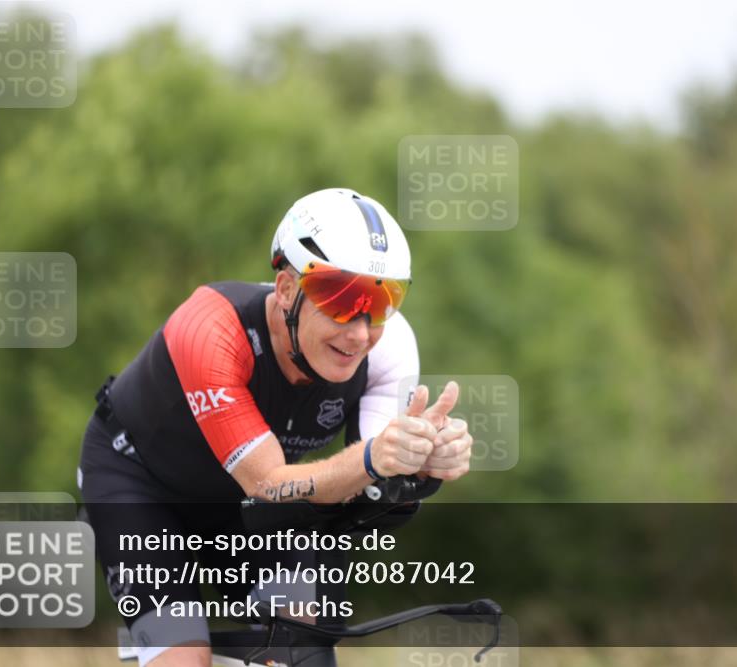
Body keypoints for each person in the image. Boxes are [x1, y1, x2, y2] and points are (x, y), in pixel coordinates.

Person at [77, 188, 474, 667]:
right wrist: (374, 458)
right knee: (183, 658)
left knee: (303, 647)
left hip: (247, 507)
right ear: (287, 289)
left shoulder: (389, 349)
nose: (359, 332)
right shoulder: (210, 329)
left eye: (383, 300)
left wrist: (421, 467)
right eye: (341, 300)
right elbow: (269, 483)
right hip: (141, 486)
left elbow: (370, 493)